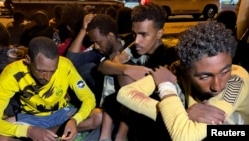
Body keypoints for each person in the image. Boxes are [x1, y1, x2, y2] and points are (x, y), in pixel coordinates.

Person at [117, 21, 249, 141]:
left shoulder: (236, 81)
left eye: (225, 71)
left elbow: (185, 136)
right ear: (186, 70)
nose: (217, 86)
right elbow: (125, 94)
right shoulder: (178, 68)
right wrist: (182, 113)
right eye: (204, 77)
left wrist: (166, 87)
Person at [98, 2, 179, 141]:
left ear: (159, 33)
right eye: (135, 34)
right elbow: (103, 66)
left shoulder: (170, 56)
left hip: (158, 119)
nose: (137, 41)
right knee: (118, 72)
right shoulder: (135, 47)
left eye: (143, 35)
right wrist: (128, 69)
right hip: (128, 110)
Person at [0, 36, 102, 141]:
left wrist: (75, 120)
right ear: (28, 60)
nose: (47, 77)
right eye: (41, 71)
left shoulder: (65, 65)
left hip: (62, 114)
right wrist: (28, 131)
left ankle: (50, 134)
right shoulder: (11, 74)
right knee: (1, 137)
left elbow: (88, 97)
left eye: (52, 71)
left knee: (98, 116)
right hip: (31, 118)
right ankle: (50, 135)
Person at [67, 13, 134, 141]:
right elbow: (72, 60)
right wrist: (83, 30)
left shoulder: (130, 52)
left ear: (110, 36)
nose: (96, 46)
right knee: (86, 69)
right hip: (102, 112)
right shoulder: (101, 53)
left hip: (123, 117)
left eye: (98, 42)